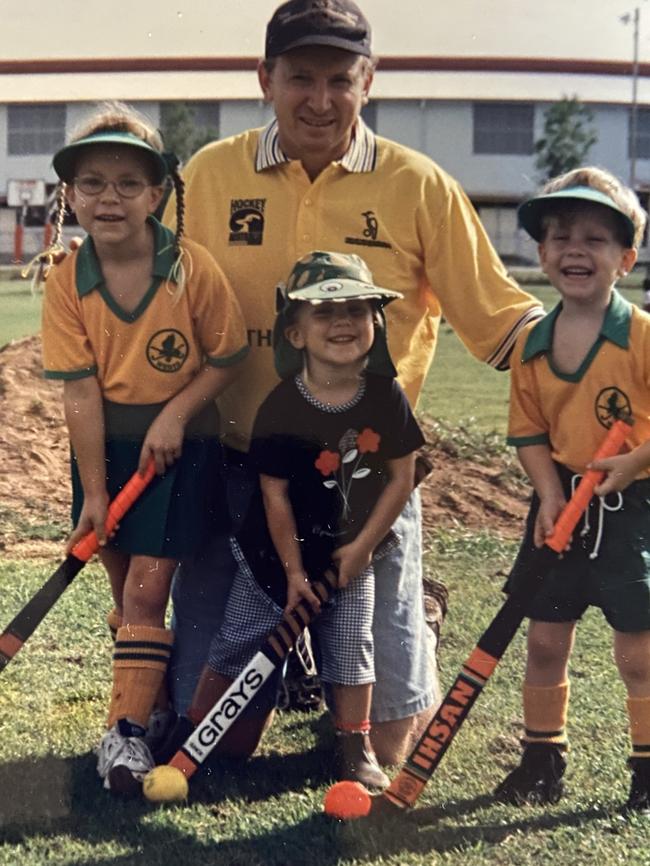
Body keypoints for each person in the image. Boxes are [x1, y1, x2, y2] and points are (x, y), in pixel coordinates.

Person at [165, 0, 545, 766]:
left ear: (368, 81)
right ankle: (298, 663)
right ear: (264, 78)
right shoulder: (209, 175)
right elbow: (165, 315)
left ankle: (412, 623)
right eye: (300, 77)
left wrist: (607, 354)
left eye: (341, 78)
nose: (320, 98)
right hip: (242, 469)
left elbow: (507, 322)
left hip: (367, 478)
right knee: (211, 741)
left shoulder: (418, 185)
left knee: (387, 749)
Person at [40, 102, 249, 795]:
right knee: (123, 583)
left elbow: (227, 355)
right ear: (70, 195)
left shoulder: (191, 268)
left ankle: (122, 738)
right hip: (107, 445)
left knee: (148, 585)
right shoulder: (67, 278)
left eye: (129, 183)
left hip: (183, 444)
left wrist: (178, 414)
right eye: (93, 182)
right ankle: (150, 708)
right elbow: (80, 394)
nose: (110, 197)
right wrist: (95, 491)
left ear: (158, 193)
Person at [165, 251, 425, 789]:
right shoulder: (284, 406)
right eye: (325, 313)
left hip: (350, 557)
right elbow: (273, 495)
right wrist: (292, 576)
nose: (344, 322)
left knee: (354, 647)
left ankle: (355, 747)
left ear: (376, 322)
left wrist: (358, 552)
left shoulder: (386, 398)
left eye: (358, 309)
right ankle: (196, 733)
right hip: (272, 559)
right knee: (236, 642)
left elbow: (401, 479)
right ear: (296, 333)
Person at [493, 167, 650, 813]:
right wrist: (548, 494)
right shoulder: (532, 340)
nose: (574, 250)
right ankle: (540, 760)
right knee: (546, 640)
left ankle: (645, 769)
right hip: (559, 500)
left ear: (626, 258)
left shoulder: (642, 333)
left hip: (631, 501)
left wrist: (636, 461)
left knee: (637, 651)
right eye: (559, 236)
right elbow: (529, 430)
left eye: (594, 238)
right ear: (541, 253)